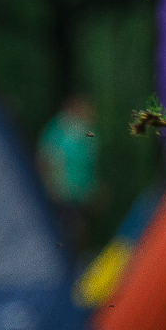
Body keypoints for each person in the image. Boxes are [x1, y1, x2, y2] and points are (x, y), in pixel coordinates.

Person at [36, 93, 98, 255]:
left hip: (81, 193)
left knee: (79, 232)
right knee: (68, 232)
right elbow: (44, 159)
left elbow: (89, 163)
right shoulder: (58, 130)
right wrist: (48, 185)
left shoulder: (87, 132)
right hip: (63, 192)